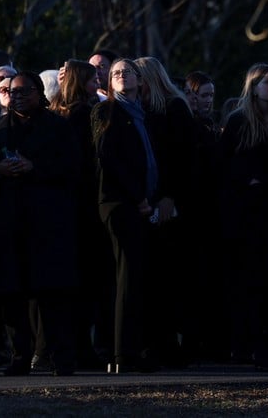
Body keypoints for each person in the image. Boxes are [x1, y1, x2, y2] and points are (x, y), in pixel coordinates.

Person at [0, 72, 81, 376]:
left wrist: (35, 167)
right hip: (7, 225)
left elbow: (74, 167)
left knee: (52, 295)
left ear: (39, 94)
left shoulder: (58, 128)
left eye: (23, 92)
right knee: (12, 295)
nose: (16, 97)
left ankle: (60, 357)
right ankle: (20, 356)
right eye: (10, 92)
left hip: (48, 225)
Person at [92, 58, 175, 373]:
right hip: (120, 204)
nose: (122, 75)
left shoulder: (148, 117)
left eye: (127, 71)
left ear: (141, 81)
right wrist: (138, 197)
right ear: (110, 83)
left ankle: (138, 348)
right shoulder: (107, 111)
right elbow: (108, 158)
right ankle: (123, 354)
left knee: (139, 278)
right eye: (115, 73)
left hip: (144, 206)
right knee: (126, 280)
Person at [218, 63, 268, 369]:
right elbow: (222, 165)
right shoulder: (239, 121)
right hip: (247, 212)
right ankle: (244, 343)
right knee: (249, 278)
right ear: (254, 86)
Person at [133, 56, 198, 367]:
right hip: (145, 202)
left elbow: (184, 157)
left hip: (170, 202)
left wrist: (171, 195)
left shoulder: (174, 107)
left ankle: (171, 344)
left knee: (170, 275)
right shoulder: (137, 110)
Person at [49, 59, 112, 369]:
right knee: (87, 279)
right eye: (91, 78)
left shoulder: (60, 114)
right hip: (84, 206)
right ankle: (82, 347)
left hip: (70, 207)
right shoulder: (82, 116)